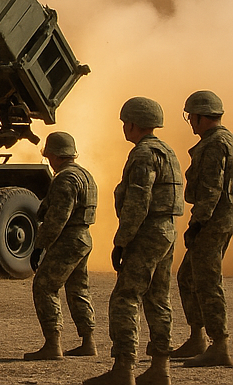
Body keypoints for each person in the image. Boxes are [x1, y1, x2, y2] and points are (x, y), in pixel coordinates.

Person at [84, 97, 184, 385]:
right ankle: (160, 368)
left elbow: (139, 201)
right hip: (167, 231)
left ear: (132, 124)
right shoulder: (168, 152)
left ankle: (124, 368)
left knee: (125, 298)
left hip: (146, 232)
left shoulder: (143, 154)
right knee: (158, 298)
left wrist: (122, 240)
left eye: (125, 123)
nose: (123, 128)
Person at [171, 90, 233, 367]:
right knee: (187, 276)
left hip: (212, 220)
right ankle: (198, 338)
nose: (191, 124)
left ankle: (219, 345)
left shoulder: (214, 144)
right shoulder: (226, 139)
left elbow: (211, 189)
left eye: (191, 118)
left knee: (207, 281)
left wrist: (197, 223)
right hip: (220, 218)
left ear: (199, 117)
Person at [24, 131, 97, 360]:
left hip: (68, 239)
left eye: (49, 157)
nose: (49, 162)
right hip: (83, 237)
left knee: (44, 286)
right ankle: (88, 342)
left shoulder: (65, 179)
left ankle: (53, 344)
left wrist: (40, 245)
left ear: (55, 155)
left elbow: (57, 218)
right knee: (78, 288)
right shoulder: (85, 175)